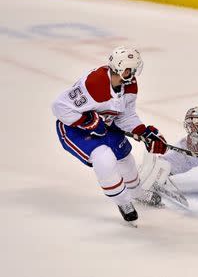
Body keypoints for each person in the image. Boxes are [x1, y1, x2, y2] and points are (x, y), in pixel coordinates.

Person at [52, 46, 167, 226]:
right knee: (104, 158)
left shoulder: (129, 84)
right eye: (132, 69)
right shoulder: (95, 83)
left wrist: (142, 132)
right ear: (122, 69)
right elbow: (59, 107)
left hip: (104, 123)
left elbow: (125, 115)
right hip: (74, 128)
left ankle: (136, 192)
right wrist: (87, 121)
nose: (135, 72)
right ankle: (123, 201)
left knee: (124, 158)